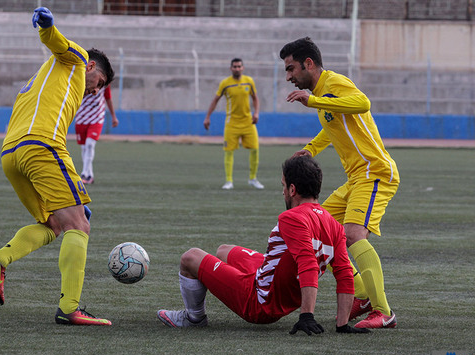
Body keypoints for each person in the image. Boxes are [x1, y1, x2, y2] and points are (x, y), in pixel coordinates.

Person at [0, 7, 114, 326]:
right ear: (92, 66)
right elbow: (56, 42)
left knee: (55, 225)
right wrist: (46, 25)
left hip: (11, 154)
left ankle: (0, 260)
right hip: (42, 146)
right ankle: (70, 309)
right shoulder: (78, 60)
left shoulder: (45, 77)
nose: (96, 90)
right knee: (79, 226)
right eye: (101, 82)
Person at [158, 155, 370, 335]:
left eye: (283, 186)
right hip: (278, 287)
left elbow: (308, 264)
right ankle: (234, 278)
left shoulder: (292, 217)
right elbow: (343, 272)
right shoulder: (333, 223)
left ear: (293, 189)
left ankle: (194, 318)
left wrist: (307, 316)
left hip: (259, 303)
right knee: (224, 250)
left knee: (190, 257)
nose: (283, 192)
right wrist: (342, 325)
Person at [280, 37, 399, 329]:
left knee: (354, 234)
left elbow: (362, 103)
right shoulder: (323, 94)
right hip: (355, 179)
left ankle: (383, 312)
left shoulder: (333, 83)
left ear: (309, 64)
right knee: (323, 228)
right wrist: (311, 148)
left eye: (291, 68)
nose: (289, 77)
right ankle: (361, 293)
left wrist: (315, 101)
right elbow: (331, 127)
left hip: (374, 172)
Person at [203, 58, 263, 190]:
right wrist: (207, 117)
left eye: (239, 66)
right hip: (232, 124)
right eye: (234, 67)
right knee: (228, 151)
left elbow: (255, 98)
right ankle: (229, 181)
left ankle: (253, 178)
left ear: (243, 68)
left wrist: (256, 113)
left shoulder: (249, 81)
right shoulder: (225, 83)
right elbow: (215, 100)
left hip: (248, 122)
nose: (237, 69)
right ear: (231, 68)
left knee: (255, 149)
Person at [74, 85, 119, 184]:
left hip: (97, 117)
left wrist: (113, 116)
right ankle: (90, 176)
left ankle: (84, 173)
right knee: (84, 147)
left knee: (90, 144)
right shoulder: (81, 77)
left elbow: (108, 98)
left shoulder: (104, 80)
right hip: (81, 116)